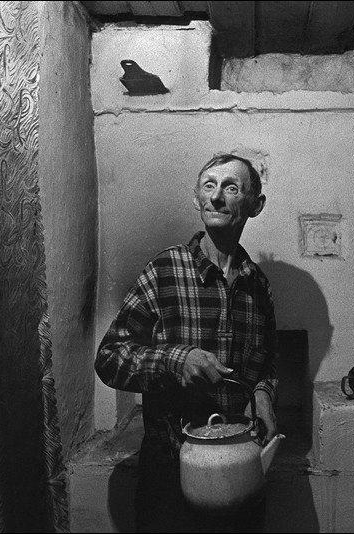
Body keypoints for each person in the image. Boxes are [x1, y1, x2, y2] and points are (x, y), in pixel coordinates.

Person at [94, 153, 278, 532]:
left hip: (239, 463)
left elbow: (267, 364)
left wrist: (263, 395)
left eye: (230, 187)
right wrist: (176, 360)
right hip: (171, 467)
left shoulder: (258, 285)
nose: (217, 197)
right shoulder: (165, 269)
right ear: (197, 199)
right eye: (208, 186)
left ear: (254, 206)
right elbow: (109, 357)